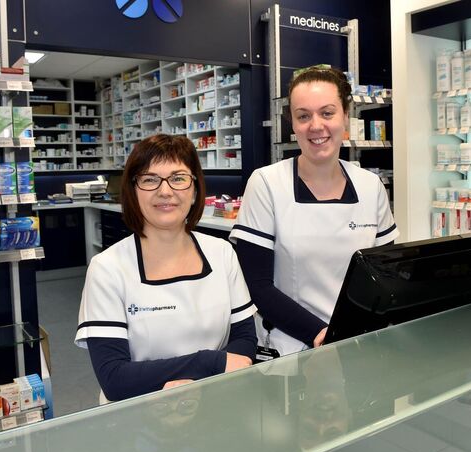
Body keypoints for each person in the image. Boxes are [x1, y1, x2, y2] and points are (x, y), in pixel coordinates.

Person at [229, 67, 399, 356]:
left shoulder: (370, 186)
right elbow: (257, 286)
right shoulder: (267, 183)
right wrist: (321, 334)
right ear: (293, 124)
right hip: (291, 348)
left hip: (356, 343)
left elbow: (385, 275)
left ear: (345, 116)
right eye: (304, 116)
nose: (316, 126)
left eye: (327, 113)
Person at [75, 134, 257, 403]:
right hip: (137, 414)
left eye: (178, 178)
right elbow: (114, 378)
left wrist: (193, 381)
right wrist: (209, 363)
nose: (165, 191)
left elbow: (245, 340)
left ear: (195, 189)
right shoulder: (108, 268)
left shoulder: (222, 253)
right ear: (133, 191)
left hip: (215, 403)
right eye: (150, 180)